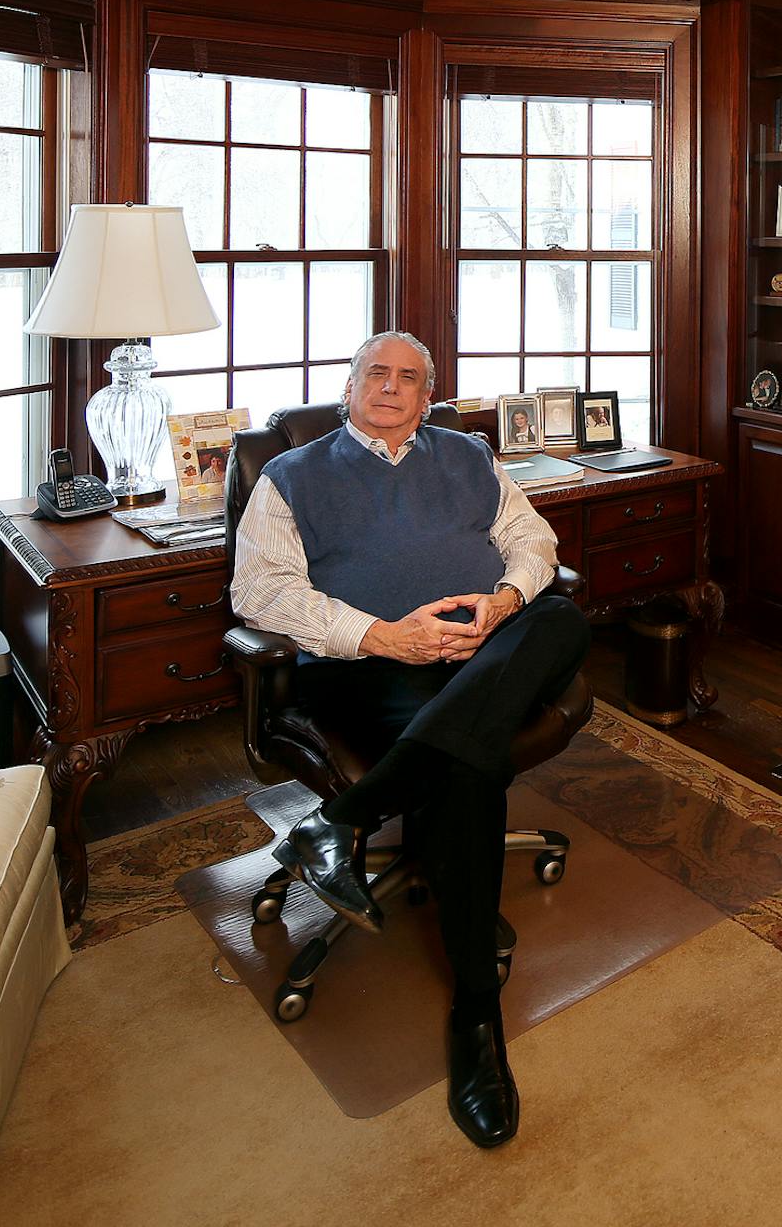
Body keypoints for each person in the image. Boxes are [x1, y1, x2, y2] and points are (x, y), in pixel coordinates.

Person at [230, 330, 587, 1149]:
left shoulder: (469, 455)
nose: (391, 388)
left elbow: (533, 542)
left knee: (559, 617)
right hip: (369, 665)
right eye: (376, 374)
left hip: (479, 648)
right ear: (350, 385)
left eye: (409, 378)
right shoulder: (290, 476)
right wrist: (385, 635)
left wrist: (501, 604)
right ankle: (477, 1018)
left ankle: (344, 818)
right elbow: (260, 593)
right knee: (469, 769)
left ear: (429, 396)